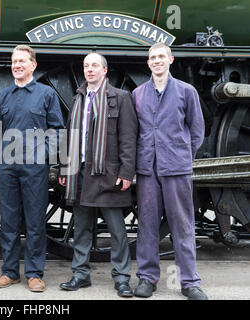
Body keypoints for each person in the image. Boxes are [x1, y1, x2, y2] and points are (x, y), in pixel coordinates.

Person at [0, 45, 64, 292]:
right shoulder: (3, 96)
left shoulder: (46, 94)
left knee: (35, 220)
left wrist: (44, 156)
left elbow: (58, 130)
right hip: (7, 166)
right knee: (8, 220)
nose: (16, 65)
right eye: (14, 61)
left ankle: (34, 274)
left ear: (33, 65)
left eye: (21, 61)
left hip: (34, 168)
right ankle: (10, 272)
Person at [132, 42, 208, 300]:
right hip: (147, 168)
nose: (157, 61)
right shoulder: (138, 94)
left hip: (176, 167)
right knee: (147, 225)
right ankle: (147, 278)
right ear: (148, 62)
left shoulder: (187, 92)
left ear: (171, 59)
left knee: (182, 225)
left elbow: (197, 131)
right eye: (152, 57)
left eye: (161, 56)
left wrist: (182, 155)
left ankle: (189, 282)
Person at [58, 53, 137, 297]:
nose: (89, 70)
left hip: (108, 174)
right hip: (81, 172)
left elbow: (128, 138)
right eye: (86, 66)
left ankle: (122, 277)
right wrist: (65, 168)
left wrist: (126, 172)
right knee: (81, 227)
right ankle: (80, 274)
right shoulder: (78, 98)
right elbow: (70, 136)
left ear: (105, 70)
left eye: (94, 66)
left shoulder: (121, 98)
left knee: (116, 229)